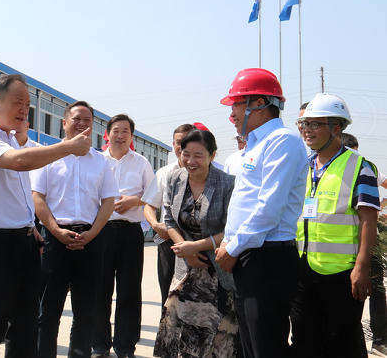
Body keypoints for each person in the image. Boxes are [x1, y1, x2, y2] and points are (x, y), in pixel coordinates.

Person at [0, 73, 92, 358]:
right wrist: (68, 146)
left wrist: (30, 227)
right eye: (18, 102)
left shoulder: (15, 140)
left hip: (25, 243)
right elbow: (18, 163)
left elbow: (26, 178)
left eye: (28, 105)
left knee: (25, 326)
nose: (24, 110)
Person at [214, 68, 308, 358]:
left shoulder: (283, 141)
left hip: (268, 257)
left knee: (266, 347)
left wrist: (233, 248)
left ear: (259, 103)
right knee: (250, 346)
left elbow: (270, 207)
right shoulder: (255, 145)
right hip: (248, 254)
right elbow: (245, 203)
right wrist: (231, 245)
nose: (232, 114)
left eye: (236, 104)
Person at [291, 94, 379, 358]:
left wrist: (362, 267)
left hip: (342, 274)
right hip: (303, 269)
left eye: (314, 124)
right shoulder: (303, 166)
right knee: (303, 339)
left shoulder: (360, 167)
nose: (306, 130)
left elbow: (368, 220)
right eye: (304, 124)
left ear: (336, 128)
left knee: (341, 342)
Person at [32, 101, 119, 358]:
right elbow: (38, 198)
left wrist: (92, 233)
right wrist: (55, 230)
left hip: (90, 241)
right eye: (76, 119)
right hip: (55, 240)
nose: (82, 124)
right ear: (64, 123)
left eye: (87, 120)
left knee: (86, 312)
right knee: (48, 310)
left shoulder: (100, 161)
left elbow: (108, 201)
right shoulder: (48, 156)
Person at [154, 129, 237, 357]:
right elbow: (169, 220)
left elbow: (231, 230)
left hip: (217, 267)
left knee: (214, 336)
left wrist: (196, 247)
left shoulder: (227, 183)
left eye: (198, 155)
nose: (191, 161)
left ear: (212, 155)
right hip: (185, 268)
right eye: (186, 154)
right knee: (179, 334)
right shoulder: (174, 179)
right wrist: (185, 250)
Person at [93, 114, 154, 358]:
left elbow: (153, 196)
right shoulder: (96, 160)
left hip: (130, 233)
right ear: (107, 134)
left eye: (125, 131)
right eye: (116, 131)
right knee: (100, 290)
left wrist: (134, 201)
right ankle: (99, 345)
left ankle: (125, 347)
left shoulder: (141, 163)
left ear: (131, 135)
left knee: (129, 291)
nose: (120, 135)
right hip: (101, 231)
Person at [341, 132, 387, 355]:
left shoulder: (335, 165)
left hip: (344, 244)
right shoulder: (366, 165)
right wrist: (381, 204)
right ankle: (378, 340)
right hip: (365, 242)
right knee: (375, 290)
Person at [142, 123, 195, 307]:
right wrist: (156, 226)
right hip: (168, 242)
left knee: (195, 296)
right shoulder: (164, 173)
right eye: (179, 142)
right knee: (168, 295)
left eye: (188, 140)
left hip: (195, 242)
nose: (183, 146)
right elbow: (149, 205)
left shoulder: (206, 171)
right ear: (173, 144)